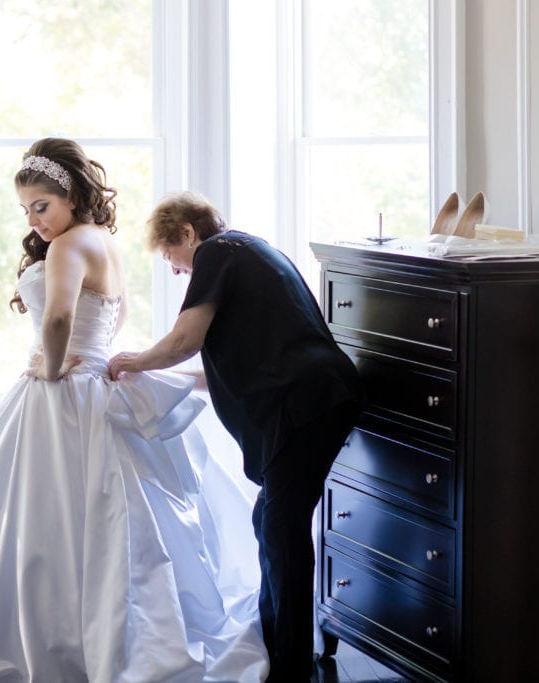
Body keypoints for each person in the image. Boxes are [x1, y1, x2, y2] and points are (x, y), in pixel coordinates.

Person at [0, 139, 270, 681]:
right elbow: (116, 315)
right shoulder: (105, 244)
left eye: (41, 206)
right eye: (26, 210)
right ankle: (113, 636)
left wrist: (48, 369)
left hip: (61, 391)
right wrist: (88, 359)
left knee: (40, 516)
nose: (35, 220)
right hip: (96, 385)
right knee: (104, 516)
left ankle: (42, 641)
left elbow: (59, 319)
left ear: (69, 194)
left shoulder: (68, 246)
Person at [108, 192, 364, 681]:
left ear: (187, 232)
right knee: (269, 518)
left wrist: (135, 359)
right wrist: (157, 379)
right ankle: (276, 638)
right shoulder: (250, 252)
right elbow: (234, 365)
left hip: (308, 403)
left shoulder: (217, 253)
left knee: (282, 529)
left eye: (171, 257)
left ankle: (289, 661)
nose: (177, 270)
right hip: (319, 397)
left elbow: (185, 340)